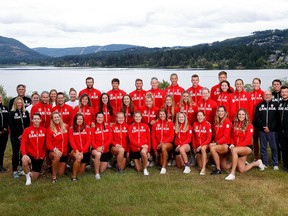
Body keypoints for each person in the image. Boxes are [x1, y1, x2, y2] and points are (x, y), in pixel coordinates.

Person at [225, 108, 265, 181]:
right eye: (239, 114)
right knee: (242, 170)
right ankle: (257, 163)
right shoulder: (235, 124)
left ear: (246, 115)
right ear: (237, 115)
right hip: (237, 148)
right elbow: (232, 136)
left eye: (243, 114)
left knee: (234, 150)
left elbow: (247, 140)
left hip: (246, 147)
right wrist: (232, 144)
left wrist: (235, 147)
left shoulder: (249, 125)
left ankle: (232, 174)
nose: (241, 116)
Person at [253, 90, 278, 169]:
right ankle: (265, 163)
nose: (267, 96)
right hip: (262, 130)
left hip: (272, 130)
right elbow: (257, 118)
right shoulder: (259, 105)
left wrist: (270, 127)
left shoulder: (276, 105)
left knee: (274, 147)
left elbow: (277, 119)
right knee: (263, 147)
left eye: (269, 94)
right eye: (266, 94)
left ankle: (275, 164)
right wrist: (263, 127)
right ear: (263, 96)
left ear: (271, 96)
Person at [20, 113, 46, 185]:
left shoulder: (44, 130)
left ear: (40, 120)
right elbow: (23, 143)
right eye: (34, 119)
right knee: (24, 160)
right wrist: (24, 154)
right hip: (30, 154)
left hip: (39, 156)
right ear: (32, 120)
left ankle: (26, 172)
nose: (36, 120)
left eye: (38, 119)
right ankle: (28, 178)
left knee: (35, 177)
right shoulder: (27, 130)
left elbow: (45, 145)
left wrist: (43, 155)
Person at [9, 97, 30, 178]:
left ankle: (21, 168)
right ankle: (14, 170)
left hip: (24, 136)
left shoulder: (26, 112)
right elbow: (11, 125)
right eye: (18, 103)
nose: (19, 104)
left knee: (23, 152)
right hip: (15, 136)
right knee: (15, 153)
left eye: (21, 103)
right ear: (15, 103)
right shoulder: (11, 113)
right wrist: (19, 135)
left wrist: (24, 135)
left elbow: (27, 124)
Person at [46, 112, 69, 183]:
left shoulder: (66, 126)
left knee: (60, 173)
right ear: (52, 119)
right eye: (54, 117)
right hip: (54, 152)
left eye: (57, 117)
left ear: (60, 117)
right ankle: (54, 176)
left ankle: (58, 166)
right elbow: (48, 144)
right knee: (57, 157)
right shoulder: (50, 129)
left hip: (64, 153)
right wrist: (56, 150)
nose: (56, 119)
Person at [210, 106, 232, 175]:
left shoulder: (227, 121)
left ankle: (218, 169)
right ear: (217, 112)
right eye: (219, 111)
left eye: (222, 111)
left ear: (225, 112)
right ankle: (236, 162)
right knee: (224, 167)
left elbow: (226, 137)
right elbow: (214, 134)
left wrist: (216, 143)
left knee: (212, 148)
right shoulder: (216, 121)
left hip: (225, 144)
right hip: (219, 144)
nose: (220, 112)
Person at [69, 113, 91, 181]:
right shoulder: (71, 129)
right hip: (75, 151)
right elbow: (71, 141)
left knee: (81, 173)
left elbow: (88, 141)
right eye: (78, 119)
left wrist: (82, 152)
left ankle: (76, 167)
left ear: (83, 120)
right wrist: (77, 151)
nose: (79, 120)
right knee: (78, 158)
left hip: (85, 151)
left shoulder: (87, 128)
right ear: (75, 120)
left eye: (81, 119)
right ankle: (74, 177)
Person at [151, 110, 174, 174]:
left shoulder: (170, 123)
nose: (162, 116)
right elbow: (153, 137)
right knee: (160, 163)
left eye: (163, 114)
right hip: (158, 146)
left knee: (163, 146)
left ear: (166, 115)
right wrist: (155, 149)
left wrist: (162, 143)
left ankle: (163, 168)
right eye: (160, 114)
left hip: (169, 144)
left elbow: (171, 137)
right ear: (158, 115)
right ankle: (165, 160)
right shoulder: (155, 124)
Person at [128, 111, 151, 176]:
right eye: (136, 117)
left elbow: (149, 139)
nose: (137, 118)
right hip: (135, 149)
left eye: (139, 116)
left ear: (141, 117)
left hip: (144, 148)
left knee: (143, 152)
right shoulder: (130, 127)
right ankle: (141, 161)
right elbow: (131, 140)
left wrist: (148, 150)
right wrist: (141, 145)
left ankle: (145, 169)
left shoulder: (145, 126)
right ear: (134, 117)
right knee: (138, 169)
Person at [91, 112, 112, 180]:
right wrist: (97, 148)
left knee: (102, 170)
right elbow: (92, 141)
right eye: (98, 117)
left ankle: (94, 163)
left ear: (104, 118)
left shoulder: (107, 127)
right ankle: (97, 174)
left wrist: (102, 147)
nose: (100, 119)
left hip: (105, 150)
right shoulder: (93, 128)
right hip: (96, 149)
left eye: (101, 117)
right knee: (98, 154)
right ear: (96, 118)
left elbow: (110, 138)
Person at [192, 111, 212, 175]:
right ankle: (208, 157)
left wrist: (201, 146)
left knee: (203, 149)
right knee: (199, 165)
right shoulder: (194, 124)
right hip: (197, 147)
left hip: (205, 145)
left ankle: (203, 169)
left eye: (201, 115)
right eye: (198, 115)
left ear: (204, 116)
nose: (199, 117)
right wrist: (194, 147)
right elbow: (193, 137)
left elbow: (209, 139)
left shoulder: (207, 125)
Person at [250, 78, 264, 160]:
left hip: (261, 120)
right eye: (254, 83)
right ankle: (255, 156)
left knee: (262, 139)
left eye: (257, 83)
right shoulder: (250, 94)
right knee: (255, 139)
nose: (255, 84)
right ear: (252, 84)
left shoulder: (263, 93)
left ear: (259, 84)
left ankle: (263, 156)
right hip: (252, 119)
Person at [277, 86, 288, 171]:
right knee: (283, 148)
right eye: (283, 92)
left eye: (286, 92)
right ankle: (285, 166)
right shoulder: (279, 103)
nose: (284, 93)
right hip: (281, 130)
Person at [0, 94, 9, 172]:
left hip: (4, 133)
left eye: (0, 97)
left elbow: (8, 119)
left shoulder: (5, 108)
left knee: (2, 150)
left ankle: (1, 165)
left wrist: (5, 128)